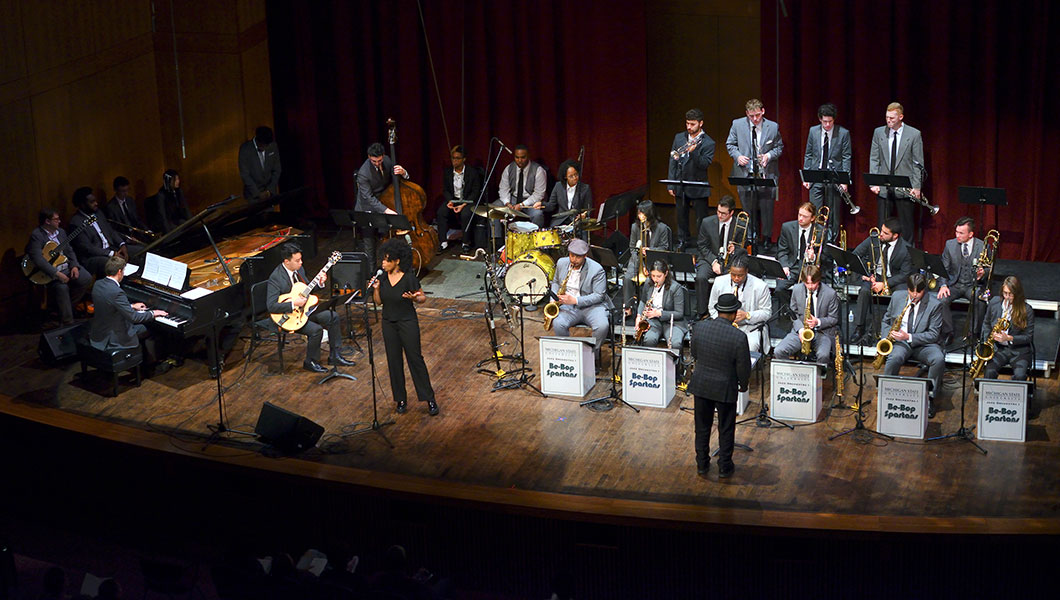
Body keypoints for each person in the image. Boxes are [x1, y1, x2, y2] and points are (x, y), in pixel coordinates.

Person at [371, 239, 439, 416]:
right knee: (394, 361)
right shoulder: (382, 278)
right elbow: (378, 303)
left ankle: (429, 398)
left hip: (407, 321)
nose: (383, 263)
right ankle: (400, 399)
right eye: (383, 260)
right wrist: (376, 289)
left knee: (415, 359)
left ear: (397, 261)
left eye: (387, 260)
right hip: (388, 322)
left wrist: (415, 298)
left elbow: (422, 298)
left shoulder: (409, 277)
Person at [688, 292, 751, 478]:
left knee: (702, 427)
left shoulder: (699, 328)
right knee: (726, 428)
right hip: (725, 388)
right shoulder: (739, 337)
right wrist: (744, 385)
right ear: (733, 313)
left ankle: (702, 464)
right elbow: (743, 367)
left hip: (701, 384)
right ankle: (724, 466)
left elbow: (695, 354)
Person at [265, 242, 354, 373]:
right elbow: (271, 306)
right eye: (297, 260)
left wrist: (320, 283)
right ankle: (310, 362)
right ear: (286, 261)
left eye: (301, 259)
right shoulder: (276, 277)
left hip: (304, 311)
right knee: (316, 330)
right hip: (287, 317)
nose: (301, 262)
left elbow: (306, 289)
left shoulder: (299, 270)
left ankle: (335, 356)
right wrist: (293, 303)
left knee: (332, 316)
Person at [880, 273, 944, 417]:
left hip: (924, 344)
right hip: (900, 342)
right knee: (894, 358)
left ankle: (930, 399)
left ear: (924, 290)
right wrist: (886, 337)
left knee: (938, 359)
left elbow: (933, 334)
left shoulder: (935, 305)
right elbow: (886, 320)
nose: (914, 295)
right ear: (907, 288)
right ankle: (887, 395)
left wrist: (909, 336)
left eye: (918, 292)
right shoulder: (897, 297)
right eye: (911, 291)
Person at [727, 98, 783, 249]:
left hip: (766, 174)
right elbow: (730, 144)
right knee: (747, 208)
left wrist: (768, 156)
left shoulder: (772, 127)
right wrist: (738, 156)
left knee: (767, 208)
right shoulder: (737, 124)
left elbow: (779, 148)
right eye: (751, 116)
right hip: (745, 173)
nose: (755, 119)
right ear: (747, 114)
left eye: (758, 115)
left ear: (763, 111)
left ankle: (766, 238)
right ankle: (751, 237)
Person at [89, 256, 167, 364]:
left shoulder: (98, 284)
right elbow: (134, 318)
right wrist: (153, 313)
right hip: (115, 336)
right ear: (119, 271)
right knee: (152, 328)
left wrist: (131, 306)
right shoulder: (117, 291)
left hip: (99, 332)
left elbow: (109, 304)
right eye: (124, 271)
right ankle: (151, 364)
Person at [26, 208, 93, 325]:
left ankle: (66, 308)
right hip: (49, 272)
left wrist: (74, 266)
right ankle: (68, 322)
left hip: (65, 266)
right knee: (61, 288)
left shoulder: (61, 232)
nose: (59, 221)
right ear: (47, 221)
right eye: (56, 219)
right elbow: (38, 259)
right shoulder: (37, 235)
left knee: (85, 278)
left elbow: (69, 250)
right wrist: (56, 274)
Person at [868, 102, 924, 242]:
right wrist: (874, 183)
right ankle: (882, 258)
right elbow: (874, 159)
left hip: (905, 187)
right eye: (887, 117)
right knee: (883, 225)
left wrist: (916, 187)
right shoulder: (879, 132)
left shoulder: (914, 134)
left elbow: (917, 163)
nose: (889, 121)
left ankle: (907, 257)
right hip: (884, 186)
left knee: (906, 226)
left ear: (901, 117)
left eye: (892, 118)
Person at [549, 238, 609, 363]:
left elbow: (599, 295)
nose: (573, 260)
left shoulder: (597, 270)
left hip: (592, 306)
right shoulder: (561, 263)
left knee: (602, 326)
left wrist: (575, 300)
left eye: (578, 257)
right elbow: (555, 281)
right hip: (568, 307)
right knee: (558, 323)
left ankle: (593, 357)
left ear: (585, 256)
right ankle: (569, 357)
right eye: (571, 256)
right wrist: (552, 299)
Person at [852, 218, 912, 340]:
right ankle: (859, 327)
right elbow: (856, 254)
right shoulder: (874, 239)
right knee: (863, 291)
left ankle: (896, 329)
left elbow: (905, 274)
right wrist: (865, 274)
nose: (881, 235)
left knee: (901, 294)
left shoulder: (906, 249)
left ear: (895, 236)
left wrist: (884, 284)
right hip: (875, 276)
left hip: (894, 279)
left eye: (885, 233)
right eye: (881, 231)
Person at [667, 108, 715, 250]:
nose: (689, 127)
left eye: (692, 124)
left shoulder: (708, 142)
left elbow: (705, 164)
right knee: (681, 215)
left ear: (701, 123)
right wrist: (671, 183)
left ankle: (702, 244)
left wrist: (693, 153)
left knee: (701, 218)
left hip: (698, 184)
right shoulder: (679, 137)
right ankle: (683, 240)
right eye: (687, 123)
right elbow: (673, 160)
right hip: (681, 183)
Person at [802, 103, 852, 239]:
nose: (828, 124)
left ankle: (831, 244)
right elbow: (809, 154)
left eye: (830, 121)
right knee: (816, 212)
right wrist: (806, 176)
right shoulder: (813, 131)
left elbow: (846, 157)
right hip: (816, 175)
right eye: (825, 121)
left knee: (833, 213)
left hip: (834, 177)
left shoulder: (843, 133)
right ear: (820, 119)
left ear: (834, 120)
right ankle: (817, 242)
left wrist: (844, 180)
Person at [773, 265, 840, 364]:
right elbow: (794, 314)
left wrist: (817, 321)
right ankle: (796, 376)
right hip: (801, 330)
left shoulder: (830, 294)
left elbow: (834, 319)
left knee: (823, 355)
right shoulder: (797, 289)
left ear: (819, 280)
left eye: (813, 283)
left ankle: (818, 376)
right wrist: (800, 330)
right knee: (779, 351)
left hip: (822, 332)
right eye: (807, 283)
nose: (810, 286)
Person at [706, 253, 771, 354]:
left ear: (747, 272)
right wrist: (722, 321)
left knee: (751, 346)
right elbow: (712, 308)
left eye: (740, 275)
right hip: (724, 326)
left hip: (749, 328)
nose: (736, 278)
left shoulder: (761, 286)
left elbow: (767, 313)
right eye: (733, 274)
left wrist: (747, 315)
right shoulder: (719, 282)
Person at [355, 142, 405, 269]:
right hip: (367, 208)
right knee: (369, 244)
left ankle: (388, 268)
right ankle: (371, 274)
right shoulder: (363, 173)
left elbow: (396, 178)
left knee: (385, 239)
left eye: (379, 160)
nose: (377, 163)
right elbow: (369, 198)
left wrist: (404, 173)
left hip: (383, 201)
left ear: (383, 156)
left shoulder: (387, 161)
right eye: (374, 161)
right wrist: (386, 210)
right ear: (368, 157)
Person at [68, 186, 137, 277]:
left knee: (139, 251)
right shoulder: (76, 223)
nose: (96, 203)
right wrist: (112, 254)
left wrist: (122, 244)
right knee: (113, 264)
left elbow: (110, 231)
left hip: (111, 248)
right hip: (93, 257)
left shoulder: (98, 213)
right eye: (92, 202)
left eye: (95, 200)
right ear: (82, 205)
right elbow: (87, 248)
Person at [937, 216, 987, 340]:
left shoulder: (982, 246)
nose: (957, 235)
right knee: (941, 300)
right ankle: (948, 332)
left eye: (961, 233)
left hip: (973, 285)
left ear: (971, 234)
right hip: (955, 284)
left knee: (980, 300)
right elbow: (944, 268)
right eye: (956, 232)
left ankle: (973, 333)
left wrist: (983, 273)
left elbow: (989, 267)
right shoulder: (950, 244)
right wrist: (943, 285)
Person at [981, 276, 1035, 384]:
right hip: (999, 349)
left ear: (1017, 294)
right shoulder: (995, 303)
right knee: (989, 373)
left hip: (1019, 351)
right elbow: (986, 323)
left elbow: (1028, 337)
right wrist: (989, 338)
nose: (1007, 297)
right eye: (1005, 293)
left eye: (1011, 294)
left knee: (1020, 376)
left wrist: (1008, 338)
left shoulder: (1027, 310)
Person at [622, 200, 672, 308]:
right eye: (639, 213)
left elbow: (664, 248)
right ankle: (628, 307)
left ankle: (647, 307)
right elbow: (632, 248)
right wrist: (640, 262)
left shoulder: (662, 228)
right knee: (627, 279)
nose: (640, 216)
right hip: (638, 260)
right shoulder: (635, 227)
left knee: (649, 281)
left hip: (655, 260)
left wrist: (650, 250)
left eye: (642, 213)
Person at [694, 195, 739, 315]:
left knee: (728, 280)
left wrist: (736, 249)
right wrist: (714, 262)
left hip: (729, 261)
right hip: (709, 258)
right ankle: (702, 312)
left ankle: (724, 313)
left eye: (724, 213)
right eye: (718, 211)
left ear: (731, 213)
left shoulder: (739, 225)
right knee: (701, 277)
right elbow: (702, 246)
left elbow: (744, 247)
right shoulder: (707, 222)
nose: (720, 215)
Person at [435, 145, 485, 252]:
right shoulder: (448, 172)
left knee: (465, 214)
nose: (454, 161)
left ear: (464, 159)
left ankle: (465, 242)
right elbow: (445, 190)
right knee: (441, 212)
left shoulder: (472, 172)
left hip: (468, 200)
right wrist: (450, 201)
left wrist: (463, 204)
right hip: (454, 199)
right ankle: (443, 242)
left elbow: (475, 192)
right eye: (453, 158)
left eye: (457, 158)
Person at [633, 260, 686, 348]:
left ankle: (674, 362)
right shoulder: (648, 283)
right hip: (653, 321)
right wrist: (639, 316)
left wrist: (659, 313)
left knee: (675, 343)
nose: (655, 279)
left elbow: (679, 313)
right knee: (649, 340)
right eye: (653, 276)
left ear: (666, 274)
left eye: (659, 276)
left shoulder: (676, 288)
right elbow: (643, 301)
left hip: (672, 322)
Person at [497, 144, 547, 228]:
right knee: (494, 209)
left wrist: (522, 205)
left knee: (537, 215)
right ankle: (498, 240)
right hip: (513, 199)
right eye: (517, 157)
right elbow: (503, 189)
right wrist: (507, 202)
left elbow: (539, 194)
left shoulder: (539, 170)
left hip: (531, 202)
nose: (520, 160)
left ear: (528, 156)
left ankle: (535, 239)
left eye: (523, 157)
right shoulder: (509, 169)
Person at [238, 125, 282, 201]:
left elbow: (277, 170)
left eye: (267, 145)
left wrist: (269, 190)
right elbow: (245, 174)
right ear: (257, 140)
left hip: (270, 195)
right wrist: (257, 193)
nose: (266, 148)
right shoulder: (245, 149)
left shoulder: (273, 146)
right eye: (264, 145)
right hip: (252, 196)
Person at [546, 160, 593, 228]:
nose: (575, 178)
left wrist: (584, 215)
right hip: (561, 221)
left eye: (576, 174)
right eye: (571, 176)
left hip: (577, 222)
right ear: (565, 177)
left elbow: (588, 209)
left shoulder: (585, 188)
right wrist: (542, 204)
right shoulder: (558, 186)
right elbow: (551, 205)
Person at [105, 176, 150, 243]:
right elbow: (113, 229)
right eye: (123, 191)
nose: (126, 193)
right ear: (115, 190)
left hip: (136, 233)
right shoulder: (110, 207)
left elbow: (137, 219)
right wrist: (126, 239)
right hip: (124, 237)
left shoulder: (130, 200)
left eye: (127, 190)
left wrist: (147, 231)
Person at [146, 169, 191, 234]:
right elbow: (163, 215)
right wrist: (169, 233)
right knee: (177, 229)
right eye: (175, 180)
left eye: (178, 179)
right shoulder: (161, 195)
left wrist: (192, 221)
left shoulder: (179, 191)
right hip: (167, 222)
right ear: (169, 181)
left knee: (187, 225)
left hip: (177, 219)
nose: (178, 181)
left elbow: (185, 208)